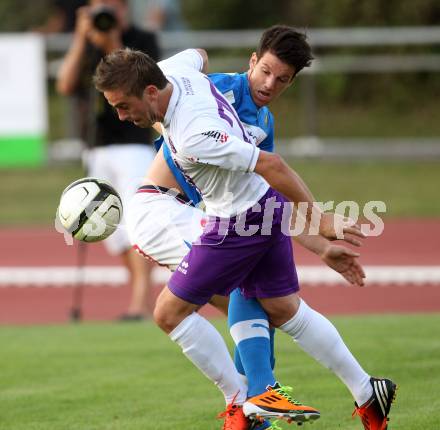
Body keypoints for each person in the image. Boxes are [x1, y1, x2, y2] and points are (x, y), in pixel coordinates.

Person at [93, 45, 396, 430]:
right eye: (266, 71)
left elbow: (272, 165)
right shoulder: (174, 71)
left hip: (235, 224)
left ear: (151, 92)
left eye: (123, 105)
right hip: (262, 212)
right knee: (285, 310)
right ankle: (367, 390)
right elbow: (199, 54)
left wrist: (318, 218)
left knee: (169, 313)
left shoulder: (194, 134)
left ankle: (250, 396)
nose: (120, 115)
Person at [56, 0, 160, 320]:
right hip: (97, 146)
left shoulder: (142, 39)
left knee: (137, 223)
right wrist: (80, 37)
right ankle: (138, 297)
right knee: (111, 228)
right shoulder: (87, 43)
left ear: (123, 8)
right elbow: (65, 84)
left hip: (133, 144)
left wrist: (113, 44)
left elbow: (138, 82)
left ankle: (140, 304)